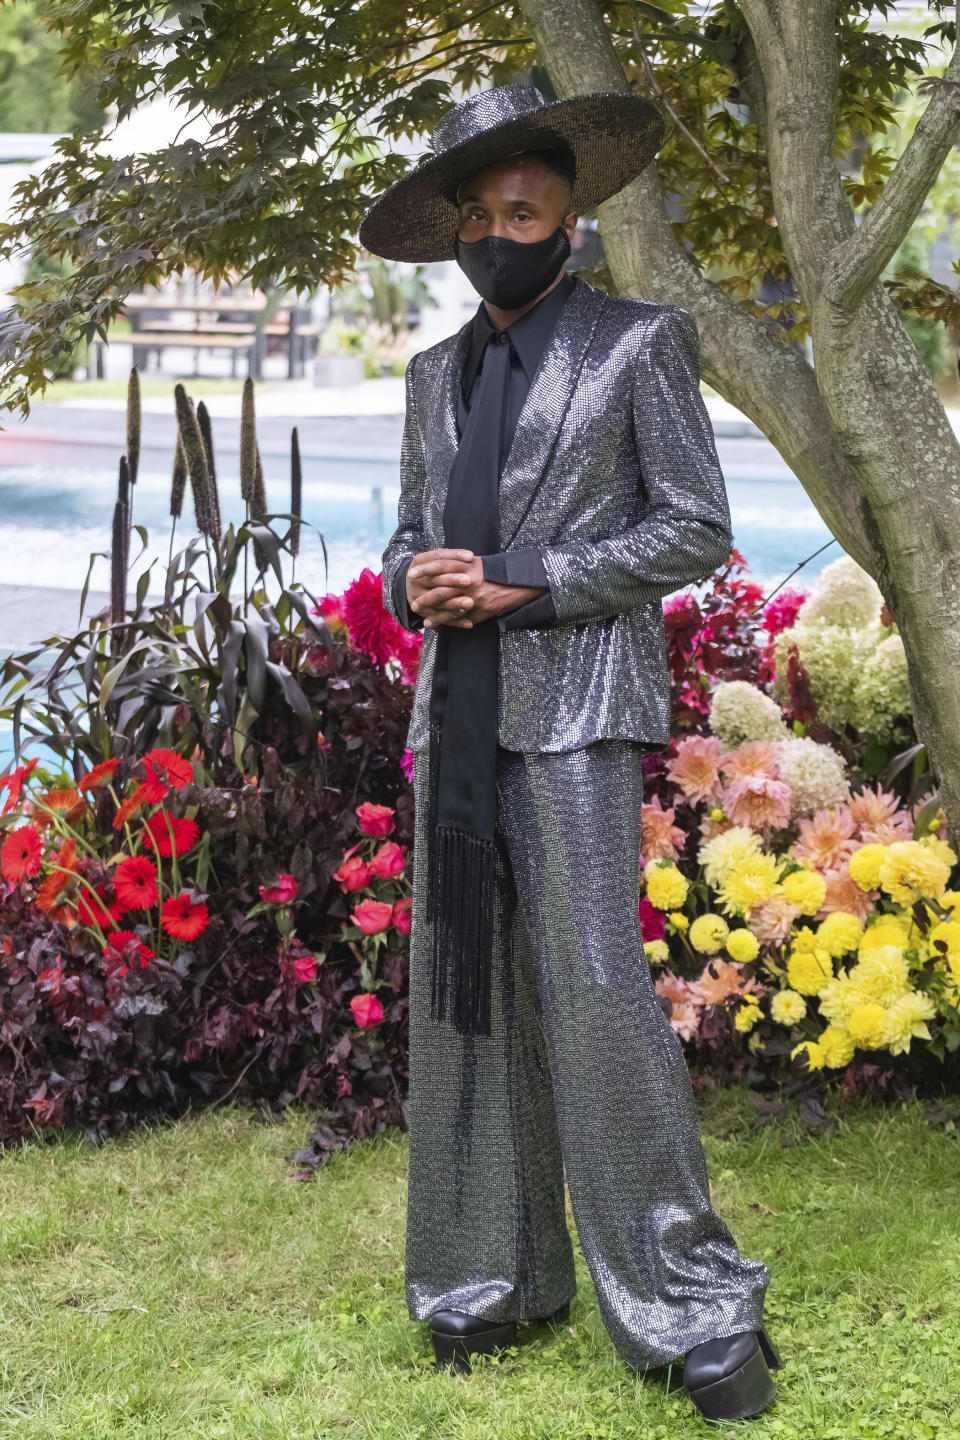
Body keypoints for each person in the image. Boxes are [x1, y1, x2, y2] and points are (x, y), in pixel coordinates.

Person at [359, 81, 784, 1424]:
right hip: (462, 721)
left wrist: (525, 581)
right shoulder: (437, 375)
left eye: (522, 209)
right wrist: (417, 579)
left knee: (599, 1002)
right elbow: (408, 536)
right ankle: (491, 1278)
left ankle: (690, 1305)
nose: (500, 231)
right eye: (478, 216)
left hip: (578, 709)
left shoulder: (636, 345)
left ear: (571, 218)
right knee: (468, 998)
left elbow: (691, 531)